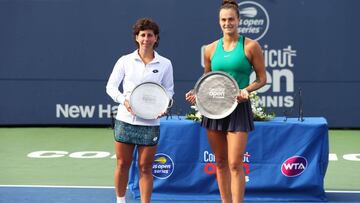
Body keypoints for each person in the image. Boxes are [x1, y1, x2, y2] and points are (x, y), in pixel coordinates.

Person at [185, 0, 266, 202]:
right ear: (219, 21)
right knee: (220, 162)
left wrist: (245, 90)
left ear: (238, 20)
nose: (227, 23)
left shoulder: (251, 46)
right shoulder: (210, 49)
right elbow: (207, 80)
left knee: (235, 163)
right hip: (214, 109)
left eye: (231, 19)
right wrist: (196, 93)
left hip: (239, 108)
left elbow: (262, 79)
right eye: (223, 19)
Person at [106, 18, 174, 203]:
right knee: (122, 163)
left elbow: (168, 90)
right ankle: (121, 201)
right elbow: (111, 87)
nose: (146, 39)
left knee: (145, 167)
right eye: (142, 35)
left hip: (151, 122)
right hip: (125, 119)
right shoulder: (125, 61)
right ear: (137, 37)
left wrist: (164, 106)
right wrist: (123, 100)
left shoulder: (165, 64)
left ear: (156, 38)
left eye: (150, 35)